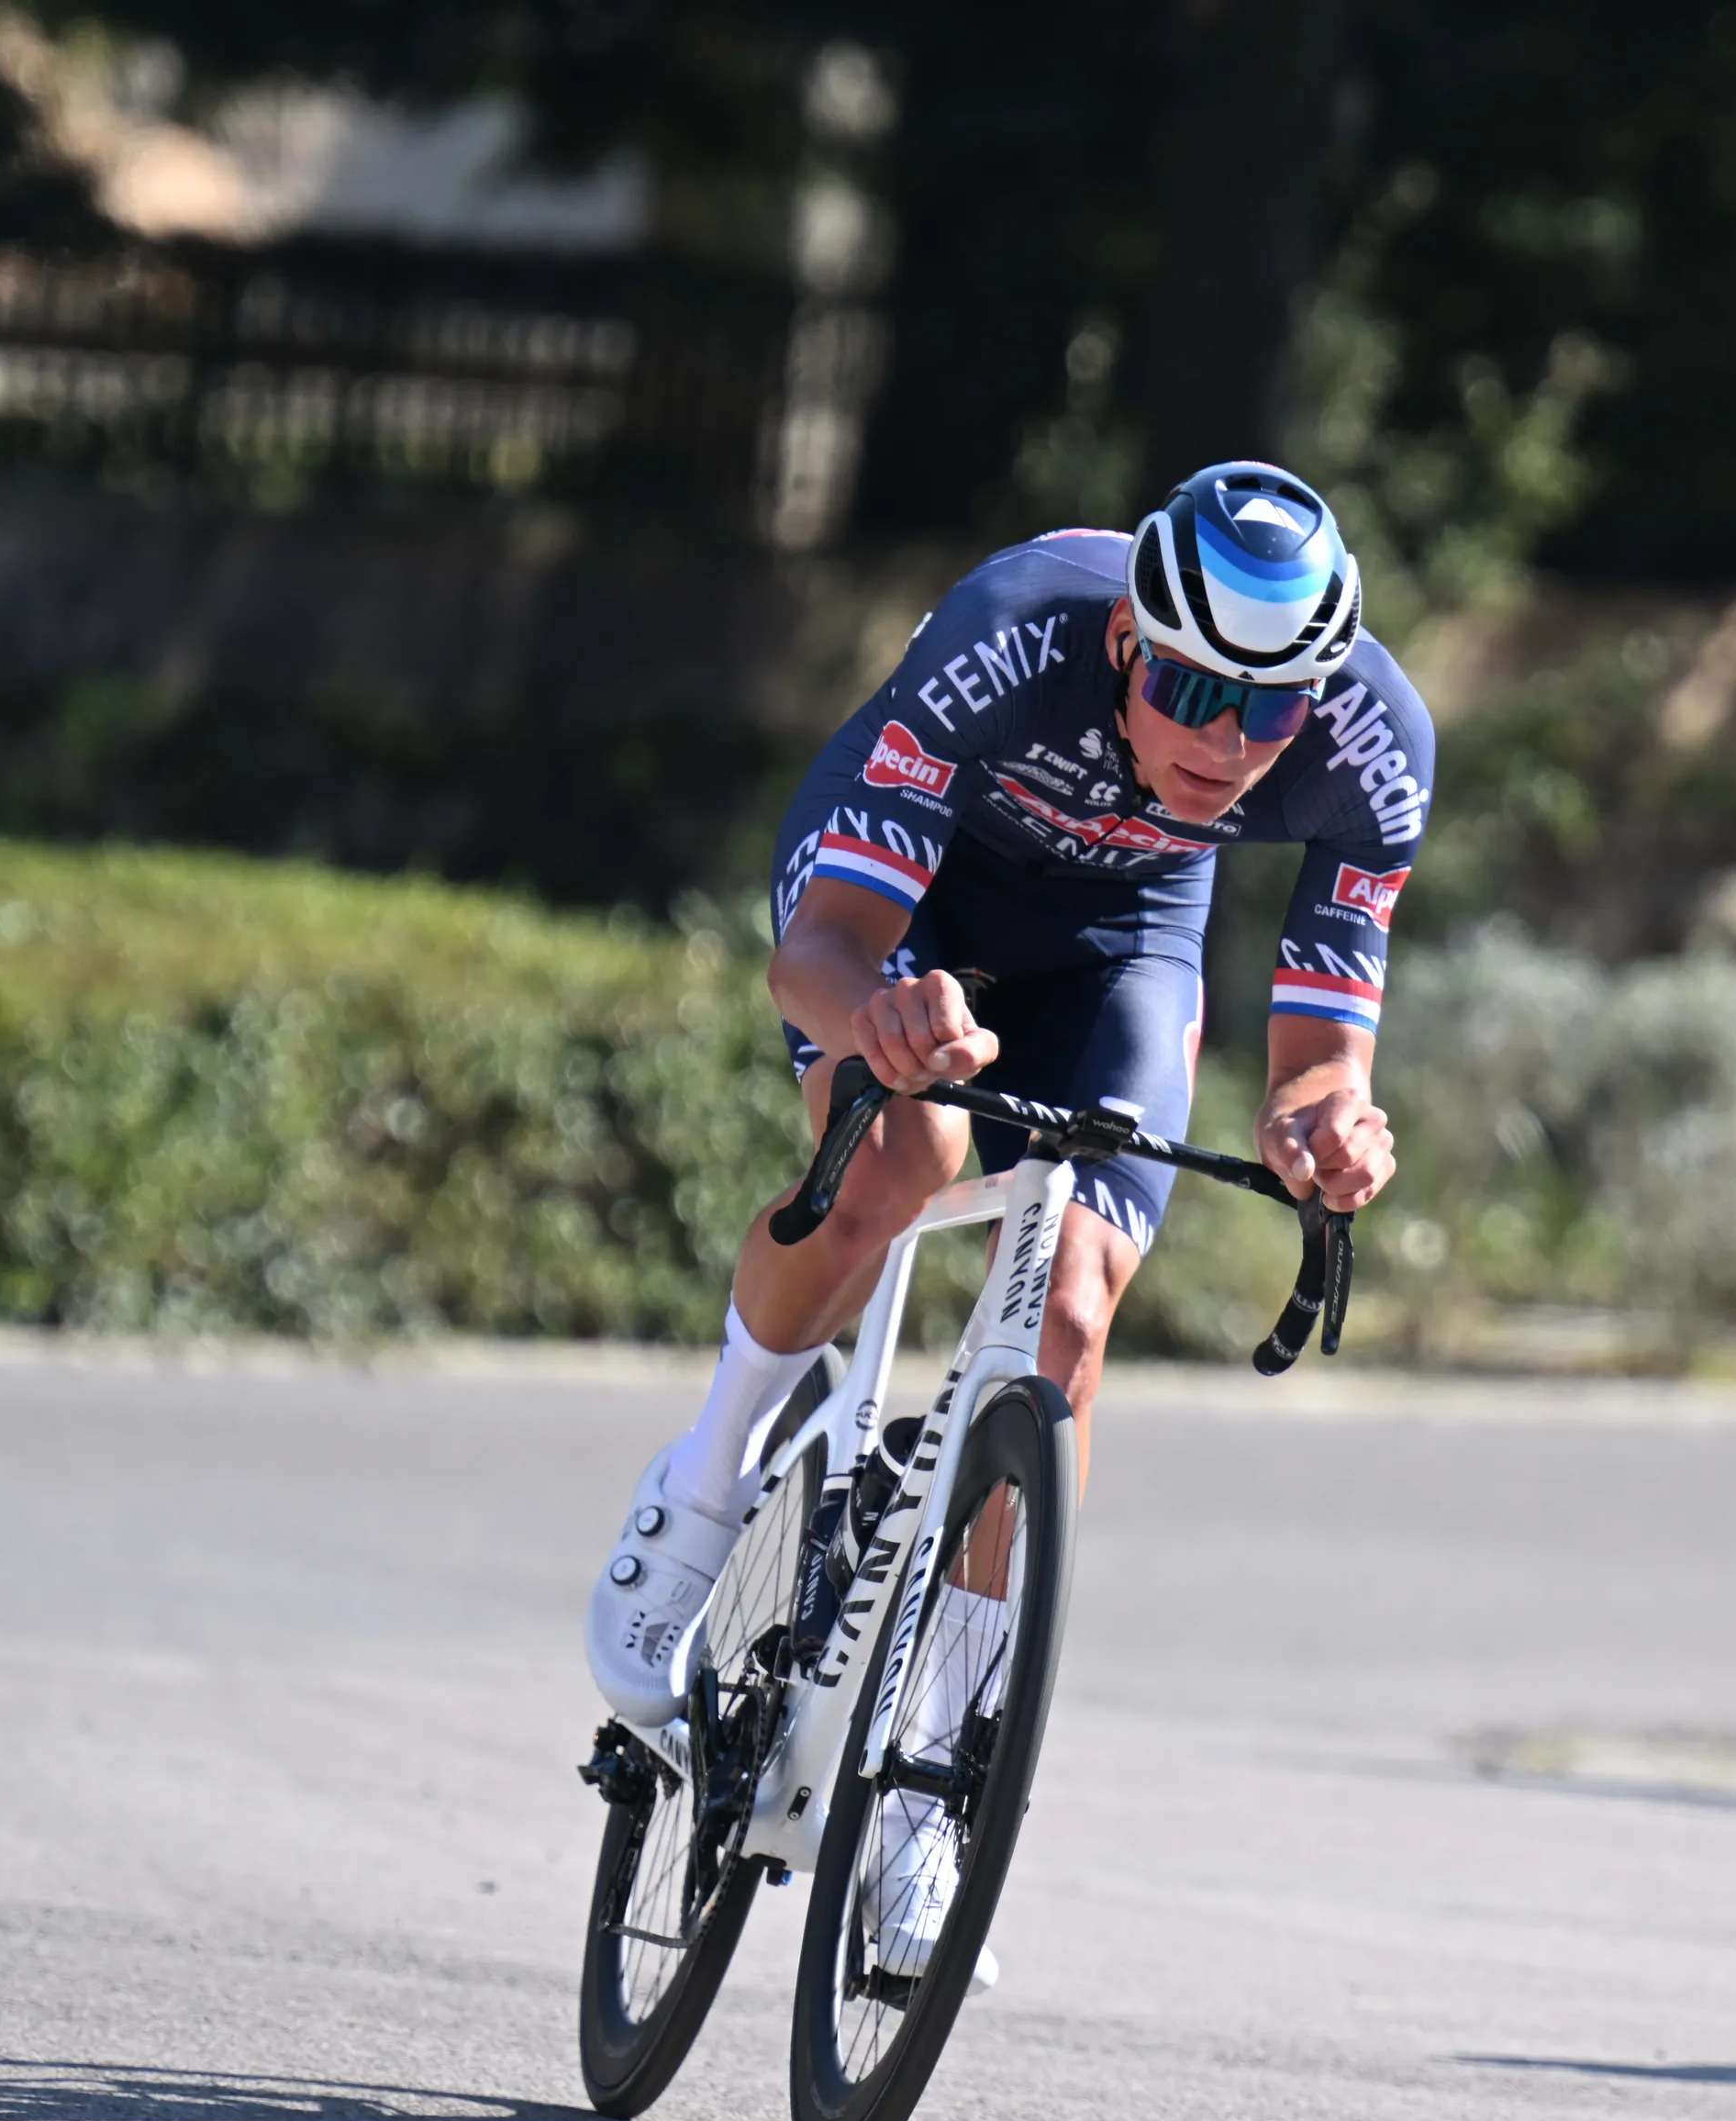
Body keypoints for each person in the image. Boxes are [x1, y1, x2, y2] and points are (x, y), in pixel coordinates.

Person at [581, 461, 1431, 1970]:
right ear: (1129, 645)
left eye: (1270, 708)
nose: (1226, 742)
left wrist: (1329, 1126)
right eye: (1191, 690)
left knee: (1075, 1310)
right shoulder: (1017, 625)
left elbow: (1317, 1061)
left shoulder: (1374, 747)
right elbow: (820, 953)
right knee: (900, 1166)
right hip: (916, 905)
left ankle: (927, 1794)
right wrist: (885, 1022)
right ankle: (706, 1481)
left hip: (1128, 940)